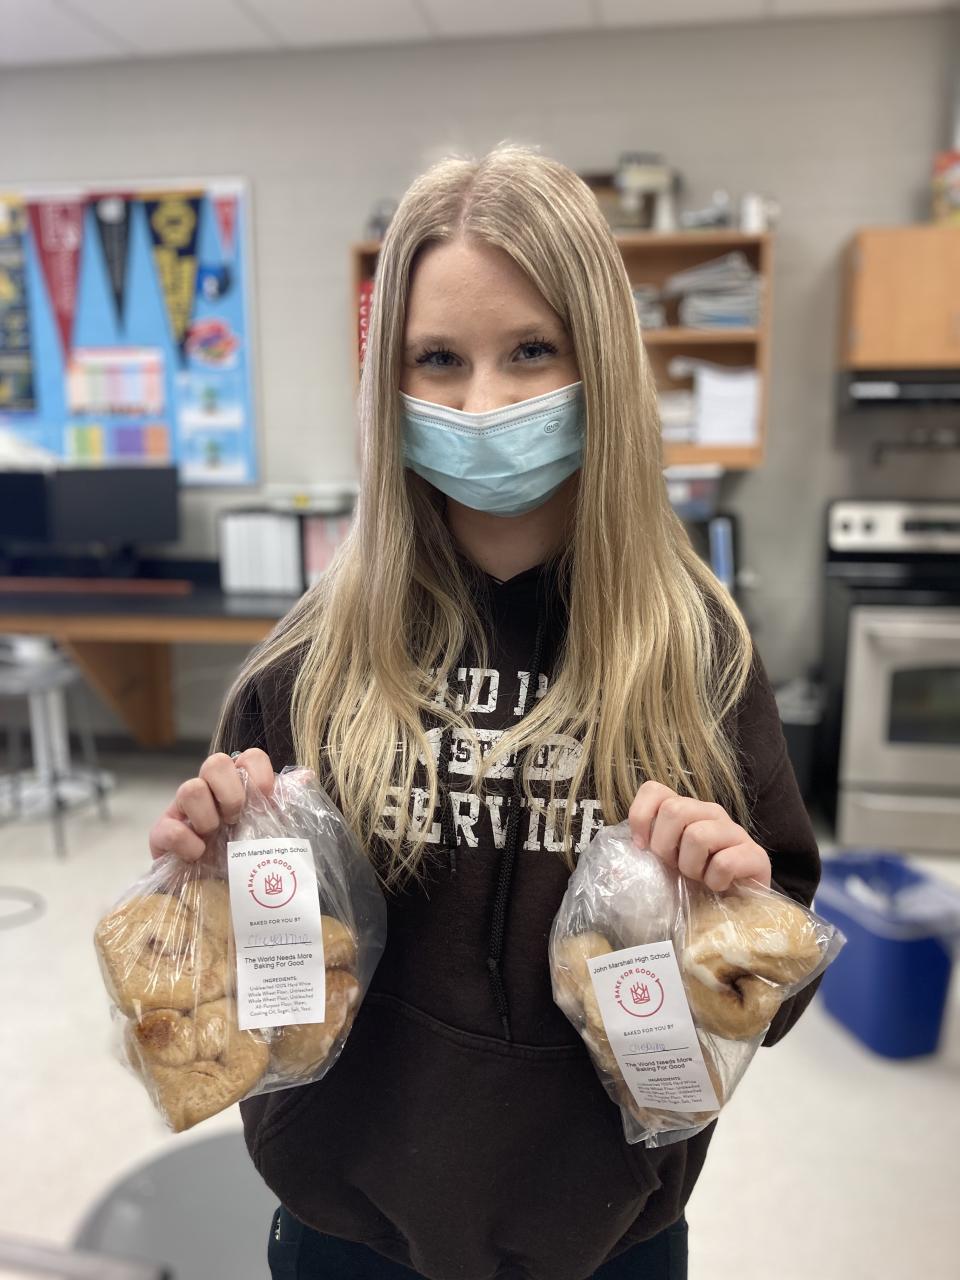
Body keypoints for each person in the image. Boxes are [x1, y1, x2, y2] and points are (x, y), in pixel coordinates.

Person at [149, 144, 821, 1280]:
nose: (482, 403)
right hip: (346, 1224)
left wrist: (734, 918)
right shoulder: (308, 667)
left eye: (531, 351)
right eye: (439, 359)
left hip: (606, 1233)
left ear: (600, 359)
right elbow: (247, 993)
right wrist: (208, 885)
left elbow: (769, 985)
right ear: (390, 383)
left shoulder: (696, 660)